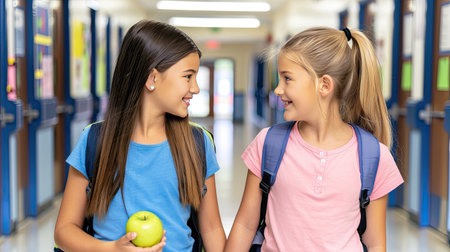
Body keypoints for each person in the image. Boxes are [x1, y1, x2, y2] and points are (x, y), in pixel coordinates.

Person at [225, 27, 404, 252]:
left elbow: (375, 243)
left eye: (287, 78)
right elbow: (245, 224)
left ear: (324, 85)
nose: (278, 89)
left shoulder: (374, 157)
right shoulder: (268, 143)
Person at [54, 20, 226, 252]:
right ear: (152, 79)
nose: (195, 88)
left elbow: (212, 228)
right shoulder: (95, 140)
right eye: (188, 76)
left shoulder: (197, 142)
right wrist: (113, 249)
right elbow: (64, 230)